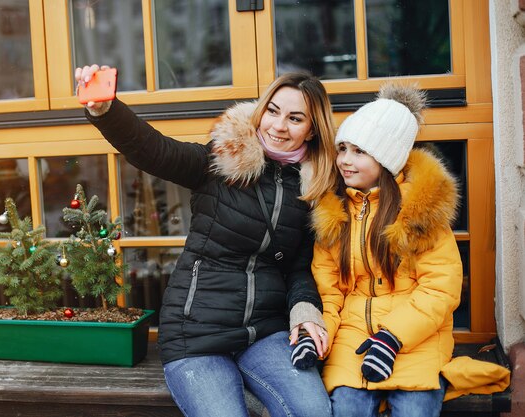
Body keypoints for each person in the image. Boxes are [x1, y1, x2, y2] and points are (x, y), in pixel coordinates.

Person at [76, 64, 337, 417]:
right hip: (196, 334)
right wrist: (105, 111)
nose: (278, 125)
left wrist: (305, 311)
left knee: (315, 412)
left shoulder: (312, 190)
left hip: (264, 333)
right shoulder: (221, 160)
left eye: (295, 118)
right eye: (273, 111)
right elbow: (154, 150)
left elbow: (299, 267)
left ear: (311, 131)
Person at [310, 83, 463, 417]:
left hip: (415, 340)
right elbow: (329, 289)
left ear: (387, 159)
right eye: (343, 148)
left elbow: (441, 286)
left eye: (359, 152)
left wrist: (392, 338)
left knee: (415, 410)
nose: (345, 161)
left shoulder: (420, 212)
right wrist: (319, 332)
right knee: (345, 409)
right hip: (351, 340)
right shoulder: (334, 213)